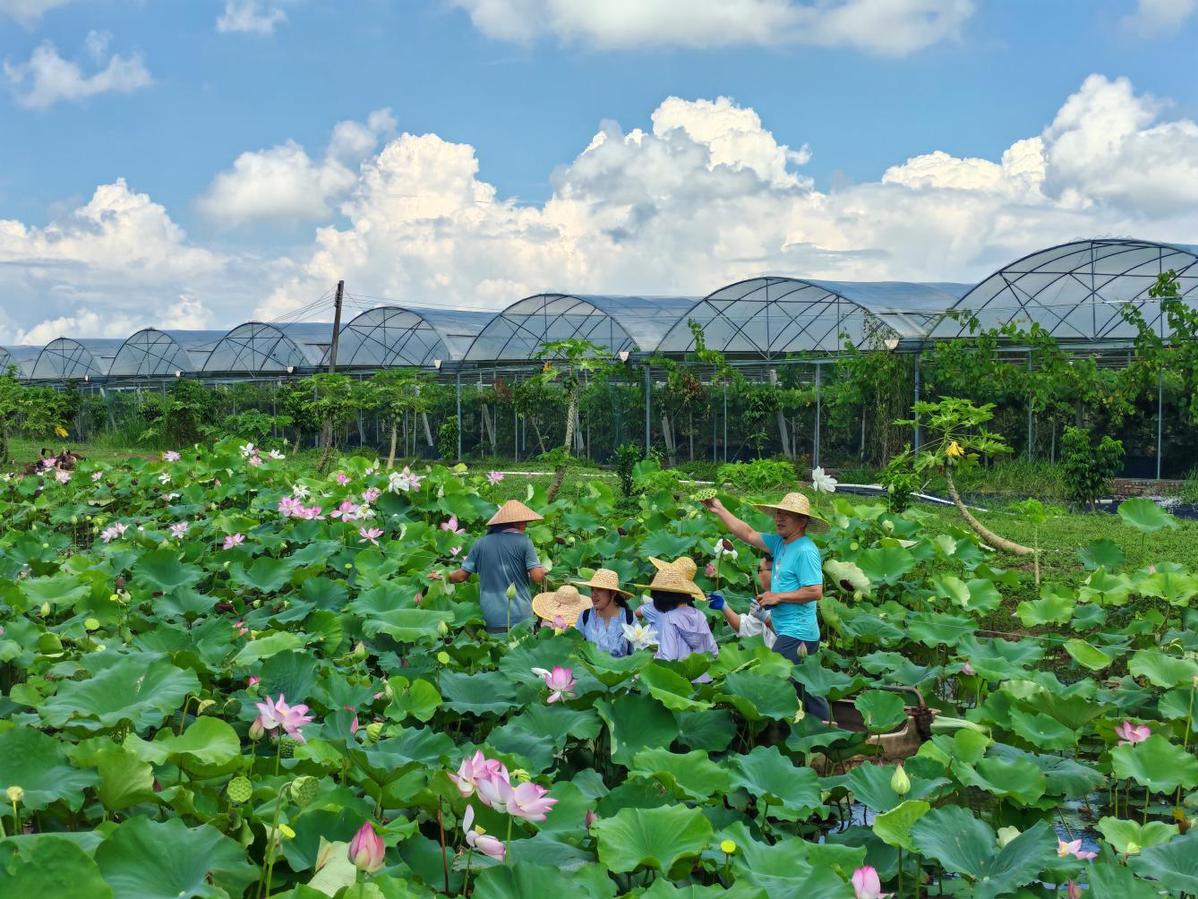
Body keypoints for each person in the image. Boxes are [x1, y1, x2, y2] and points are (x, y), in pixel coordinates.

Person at [702, 492, 830, 720]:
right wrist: (719, 509)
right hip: (787, 631)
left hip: (797, 633)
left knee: (773, 681)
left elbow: (815, 591)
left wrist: (777, 597)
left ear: (802, 522)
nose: (779, 518)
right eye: (778, 513)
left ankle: (802, 731)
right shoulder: (781, 544)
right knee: (804, 685)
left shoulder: (806, 551)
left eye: (787, 515)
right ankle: (824, 728)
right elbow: (747, 533)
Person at [431, 499, 547, 633]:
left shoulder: (481, 543)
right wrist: (542, 570)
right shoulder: (524, 542)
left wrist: (443, 576)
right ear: (517, 523)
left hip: (492, 616)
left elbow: (461, 577)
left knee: (498, 652)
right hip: (520, 615)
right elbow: (537, 577)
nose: (525, 526)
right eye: (524, 522)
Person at [633, 565, 718, 665]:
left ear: (660, 596)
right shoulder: (700, 615)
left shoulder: (669, 618)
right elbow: (714, 651)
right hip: (700, 675)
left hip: (672, 674)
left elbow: (669, 657)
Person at [709, 554, 776, 650]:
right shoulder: (766, 600)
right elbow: (745, 627)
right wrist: (724, 606)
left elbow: (791, 637)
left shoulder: (796, 599)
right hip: (772, 661)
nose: (758, 574)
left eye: (760, 570)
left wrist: (766, 619)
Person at [570, 569, 635, 657]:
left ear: (613, 593)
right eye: (592, 590)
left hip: (621, 669)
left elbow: (636, 654)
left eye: (599, 590)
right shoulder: (584, 616)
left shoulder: (628, 617)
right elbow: (576, 649)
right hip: (590, 669)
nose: (594, 595)